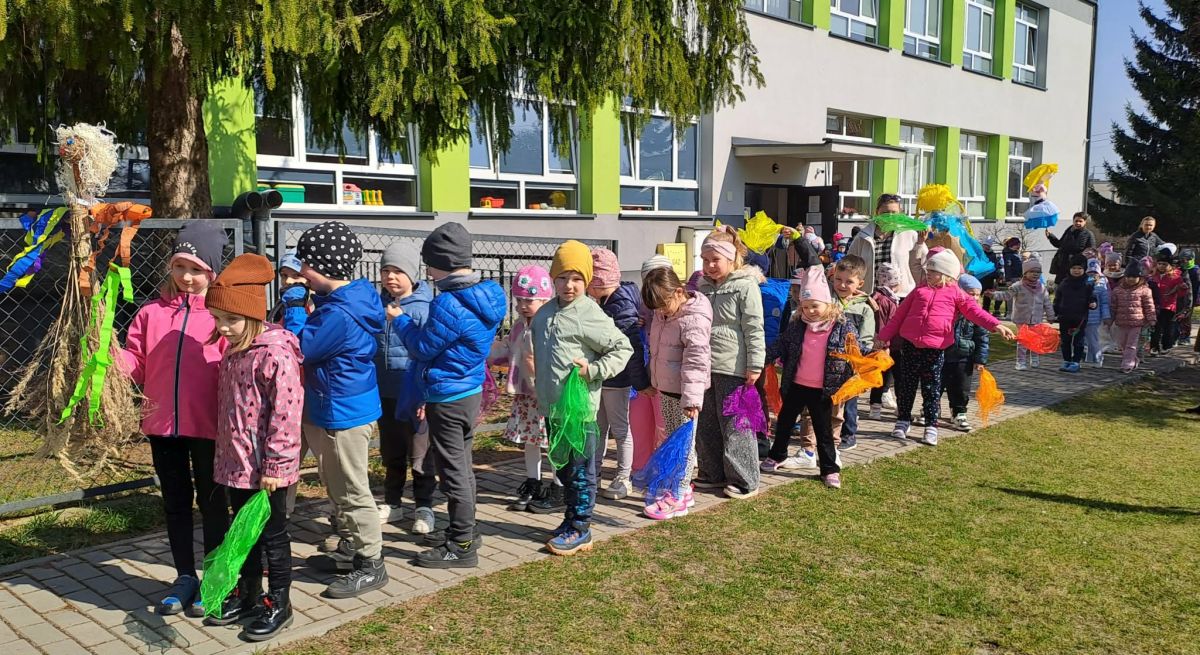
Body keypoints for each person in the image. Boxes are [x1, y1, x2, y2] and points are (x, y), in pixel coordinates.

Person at [121, 221, 230, 617]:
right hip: (161, 425)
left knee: (213, 504)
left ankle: (216, 576)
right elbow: (136, 362)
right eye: (180, 266)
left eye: (196, 269)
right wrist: (108, 357)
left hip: (209, 426)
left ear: (211, 272)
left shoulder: (222, 316)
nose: (187, 277)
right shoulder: (150, 313)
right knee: (175, 503)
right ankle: (185, 575)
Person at [393, 222, 507, 568]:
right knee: (463, 465)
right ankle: (467, 530)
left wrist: (400, 321)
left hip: (446, 396)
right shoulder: (489, 295)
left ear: (443, 263)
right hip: (469, 389)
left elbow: (422, 348)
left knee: (452, 470)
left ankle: (461, 544)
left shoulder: (448, 303)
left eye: (430, 265)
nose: (427, 272)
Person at [204, 254, 303, 641]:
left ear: (253, 314)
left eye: (231, 319)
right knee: (242, 533)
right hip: (236, 464)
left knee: (271, 536)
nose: (223, 327)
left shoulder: (275, 354)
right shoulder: (234, 351)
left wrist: (276, 466)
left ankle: (279, 602)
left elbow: (285, 414)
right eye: (217, 319)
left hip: (267, 470)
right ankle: (247, 595)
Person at [295, 221, 388, 597]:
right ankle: (352, 547)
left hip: (342, 412)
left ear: (323, 266)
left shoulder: (339, 314)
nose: (301, 271)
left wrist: (295, 309)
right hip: (336, 406)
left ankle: (371, 563)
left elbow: (302, 347)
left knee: (351, 489)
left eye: (305, 264)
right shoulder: (346, 301)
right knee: (337, 483)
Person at [532, 240, 633, 555]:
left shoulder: (589, 313)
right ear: (553, 278)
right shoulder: (544, 313)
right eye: (563, 277)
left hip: (580, 411)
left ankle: (581, 528)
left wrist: (594, 370)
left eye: (577, 279)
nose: (569, 285)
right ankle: (570, 518)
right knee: (563, 468)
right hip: (553, 409)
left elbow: (622, 347)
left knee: (580, 470)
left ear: (587, 281)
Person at [877, 250, 1014, 445]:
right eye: (928, 270)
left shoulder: (956, 294)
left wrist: (996, 325)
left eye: (933, 271)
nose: (928, 274)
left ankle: (931, 426)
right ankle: (903, 421)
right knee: (906, 386)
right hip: (910, 345)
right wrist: (883, 337)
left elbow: (975, 312)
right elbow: (898, 316)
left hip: (935, 348)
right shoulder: (919, 291)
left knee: (931, 389)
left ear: (946, 274)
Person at [762, 266, 858, 488]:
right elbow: (781, 344)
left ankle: (829, 469)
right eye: (805, 306)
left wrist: (864, 362)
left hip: (823, 389)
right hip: (796, 384)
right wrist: (761, 358)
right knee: (785, 422)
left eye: (815, 306)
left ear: (827, 303)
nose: (810, 311)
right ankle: (777, 455)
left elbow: (855, 350)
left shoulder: (842, 326)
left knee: (823, 430)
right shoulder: (797, 325)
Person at [695, 228, 765, 499]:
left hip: (733, 367)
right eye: (705, 260)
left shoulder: (745, 286)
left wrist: (755, 365)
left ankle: (745, 479)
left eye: (715, 260)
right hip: (705, 365)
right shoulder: (702, 287)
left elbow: (754, 328)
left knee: (736, 425)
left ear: (731, 259)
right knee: (707, 424)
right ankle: (712, 473)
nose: (710, 266)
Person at [374, 241, 437, 533]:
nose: (390, 277)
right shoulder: (378, 306)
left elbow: (428, 352)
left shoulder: (424, 309)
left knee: (420, 453)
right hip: (385, 392)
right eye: (385, 270)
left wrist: (425, 394)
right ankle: (393, 503)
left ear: (412, 273)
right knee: (392, 452)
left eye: (398, 271)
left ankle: (424, 506)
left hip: (414, 394)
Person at [641, 265, 713, 519]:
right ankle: (678, 488)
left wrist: (691, 400)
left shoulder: (694, 319)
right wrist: (654, 379)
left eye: (663, 305)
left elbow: (696, 361)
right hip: (667, 390)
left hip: (685, 396)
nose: (660, 311)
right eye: (656, 308)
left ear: (679, 292)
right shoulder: (664, 315)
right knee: (672, 441)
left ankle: (679, 495)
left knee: (684, 445)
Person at [491, 265, 557, 512]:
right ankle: (533, 483)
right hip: (525, 395)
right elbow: (509, 350)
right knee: (531, 440)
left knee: (554, 441)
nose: (522, 306)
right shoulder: (519, 326)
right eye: (519, 300)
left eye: (529, 300)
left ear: (545, 300)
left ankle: (559, 485)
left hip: (548, 396)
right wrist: (488, 352)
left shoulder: (550, 326)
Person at [587, 247, 651, 501]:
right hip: (601, 376)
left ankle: (624, 478)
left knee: (620, 429)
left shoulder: (620, 304)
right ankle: (593, 474)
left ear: (599, 281)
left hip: (618, 378)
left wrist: (640, 382)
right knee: (598, 428)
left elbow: (632, 347)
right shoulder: (605, 302)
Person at [828, 255, 874, 452]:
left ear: (860, 284)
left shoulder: (865, 309)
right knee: (828, 399)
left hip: (851, 364)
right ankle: (827, 432)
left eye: (849, 281)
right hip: (828, 361)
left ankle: (848, 434)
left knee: (849, 401)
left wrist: (859, 360)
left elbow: (866, 338)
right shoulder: (828, 301)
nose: (842, 285)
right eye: (838, 279)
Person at [845, 193, 922, 296]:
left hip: (901, 296)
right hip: (870, 296)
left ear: (900, 213)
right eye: (885, 213)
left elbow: (920, 264)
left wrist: (921, 243)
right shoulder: (863, 237)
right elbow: (850, 265)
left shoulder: (909, 234)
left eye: (894, 213)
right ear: (877, 212)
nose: (890, 216)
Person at [987, 257, 1055, 371]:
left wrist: (1051, 316)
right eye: (1032, 271)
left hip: (1036, 319)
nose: (1035, 274)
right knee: (1023, 341)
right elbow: (1006, 295)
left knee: (1036, 339)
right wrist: (994, 295)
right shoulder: (1018, 286)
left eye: (1038, 272)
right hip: (1021, 319)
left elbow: (1047, 303)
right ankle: (1020, 362)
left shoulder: (1042, 288)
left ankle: (1035, 358)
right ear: (1025, 273)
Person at [941, 275, 990, 431]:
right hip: (943, 355)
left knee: (961, 387)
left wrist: (980, 359)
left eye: (977, 294)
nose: (974, 297)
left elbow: (982, 338)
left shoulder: (977, 314)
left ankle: (959, 413)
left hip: (964, 357)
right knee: (937, 385)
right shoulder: (948, 309)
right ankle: (931, 409)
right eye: (971, 293)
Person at [1110, 259, 1157, 373]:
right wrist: (1110, 319)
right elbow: (1113, 306)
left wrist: (1151, 319)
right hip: (1121, 322)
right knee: (1122, 344)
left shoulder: (1145, 290)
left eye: (1134, 277)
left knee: (1131, 344)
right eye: (1128, 276)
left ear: (1140, 277)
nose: (1131, 279)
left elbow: (1149, 306)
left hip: (1137, 322)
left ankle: (1127, 364)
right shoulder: (1117, 290)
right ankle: (1133, 359)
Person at [868, 262, 901, 419]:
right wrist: (884, 345)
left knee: (888, 376)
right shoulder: (883, 300)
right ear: (894, 282)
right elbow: (882, 324)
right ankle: (875, 407)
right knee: (881, 376)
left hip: (892, 344)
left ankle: (897, 406)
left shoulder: (889, 298)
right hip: (886, 346)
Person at [1052, 254, 1096, 373]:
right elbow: (1057, 299)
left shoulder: (1088, 282)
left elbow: (1092, 296)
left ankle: (1076, 362)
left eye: (1079, 268)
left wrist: (1093, 303)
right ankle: (1066, 360)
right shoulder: (1064, 283)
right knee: (1065, 341)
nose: (1076, 271)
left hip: (1080, 317)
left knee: (1078, 341)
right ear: (1069, 268)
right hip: (1064, 316)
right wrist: (1054, 312)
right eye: (1074, 268)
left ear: (1084, 269)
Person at [1149, 252, 1188, 355]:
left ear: (1170, 266)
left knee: (1168, 328)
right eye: (1160, 263)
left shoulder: (1176, 277)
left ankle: (1166, 346)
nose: (1161, 266)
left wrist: (1182, 288)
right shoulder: (1152, 276)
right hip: (1155, 306)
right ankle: (1154, 347)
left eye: (1165, 264)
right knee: (1155, 327)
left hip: (1169, 306)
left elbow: (1181, 294)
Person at [1046, 212, 1097, 285]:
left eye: (1080, 221)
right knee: (1060, 286)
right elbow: (1060, 244)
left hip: (1077, 268)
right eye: (1076, 221)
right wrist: (1051, 236)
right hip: (1063, 265)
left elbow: (1092, 252)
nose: (1078, 223)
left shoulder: (1088, 234)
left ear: (1085, 222)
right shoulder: (1069, 231)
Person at [268, 252, 310, 335]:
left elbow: (298, 338)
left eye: (297, 275)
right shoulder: (281, 304)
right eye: (284, 275)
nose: (288, 281)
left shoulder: (318, 308)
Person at [1084, 258, 1112, 367]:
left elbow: (1104, 303)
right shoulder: (1083, 284)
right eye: (1090, 272)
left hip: (1095, 318)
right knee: (1086, 340)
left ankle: (1098, 358)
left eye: (1095, 272)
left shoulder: (1102, 286)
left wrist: (1106, 316)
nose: (1092, 275)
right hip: (1083, 316)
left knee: (1093, 339)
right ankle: (1090, 359)